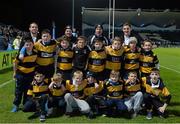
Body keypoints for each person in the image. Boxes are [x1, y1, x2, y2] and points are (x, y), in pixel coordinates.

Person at [11, 37, 37, 112]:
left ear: (32, 45)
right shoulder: (21, 54)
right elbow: (15, 62)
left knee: (27, 90)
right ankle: (16, 105)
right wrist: (15, 72)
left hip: (30, 75)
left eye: (30, 44)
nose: (28, 46)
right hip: (21, 74)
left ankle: (25, 103)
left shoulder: (35, 53)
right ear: (24, 46)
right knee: (18, 90)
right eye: (27, 45)